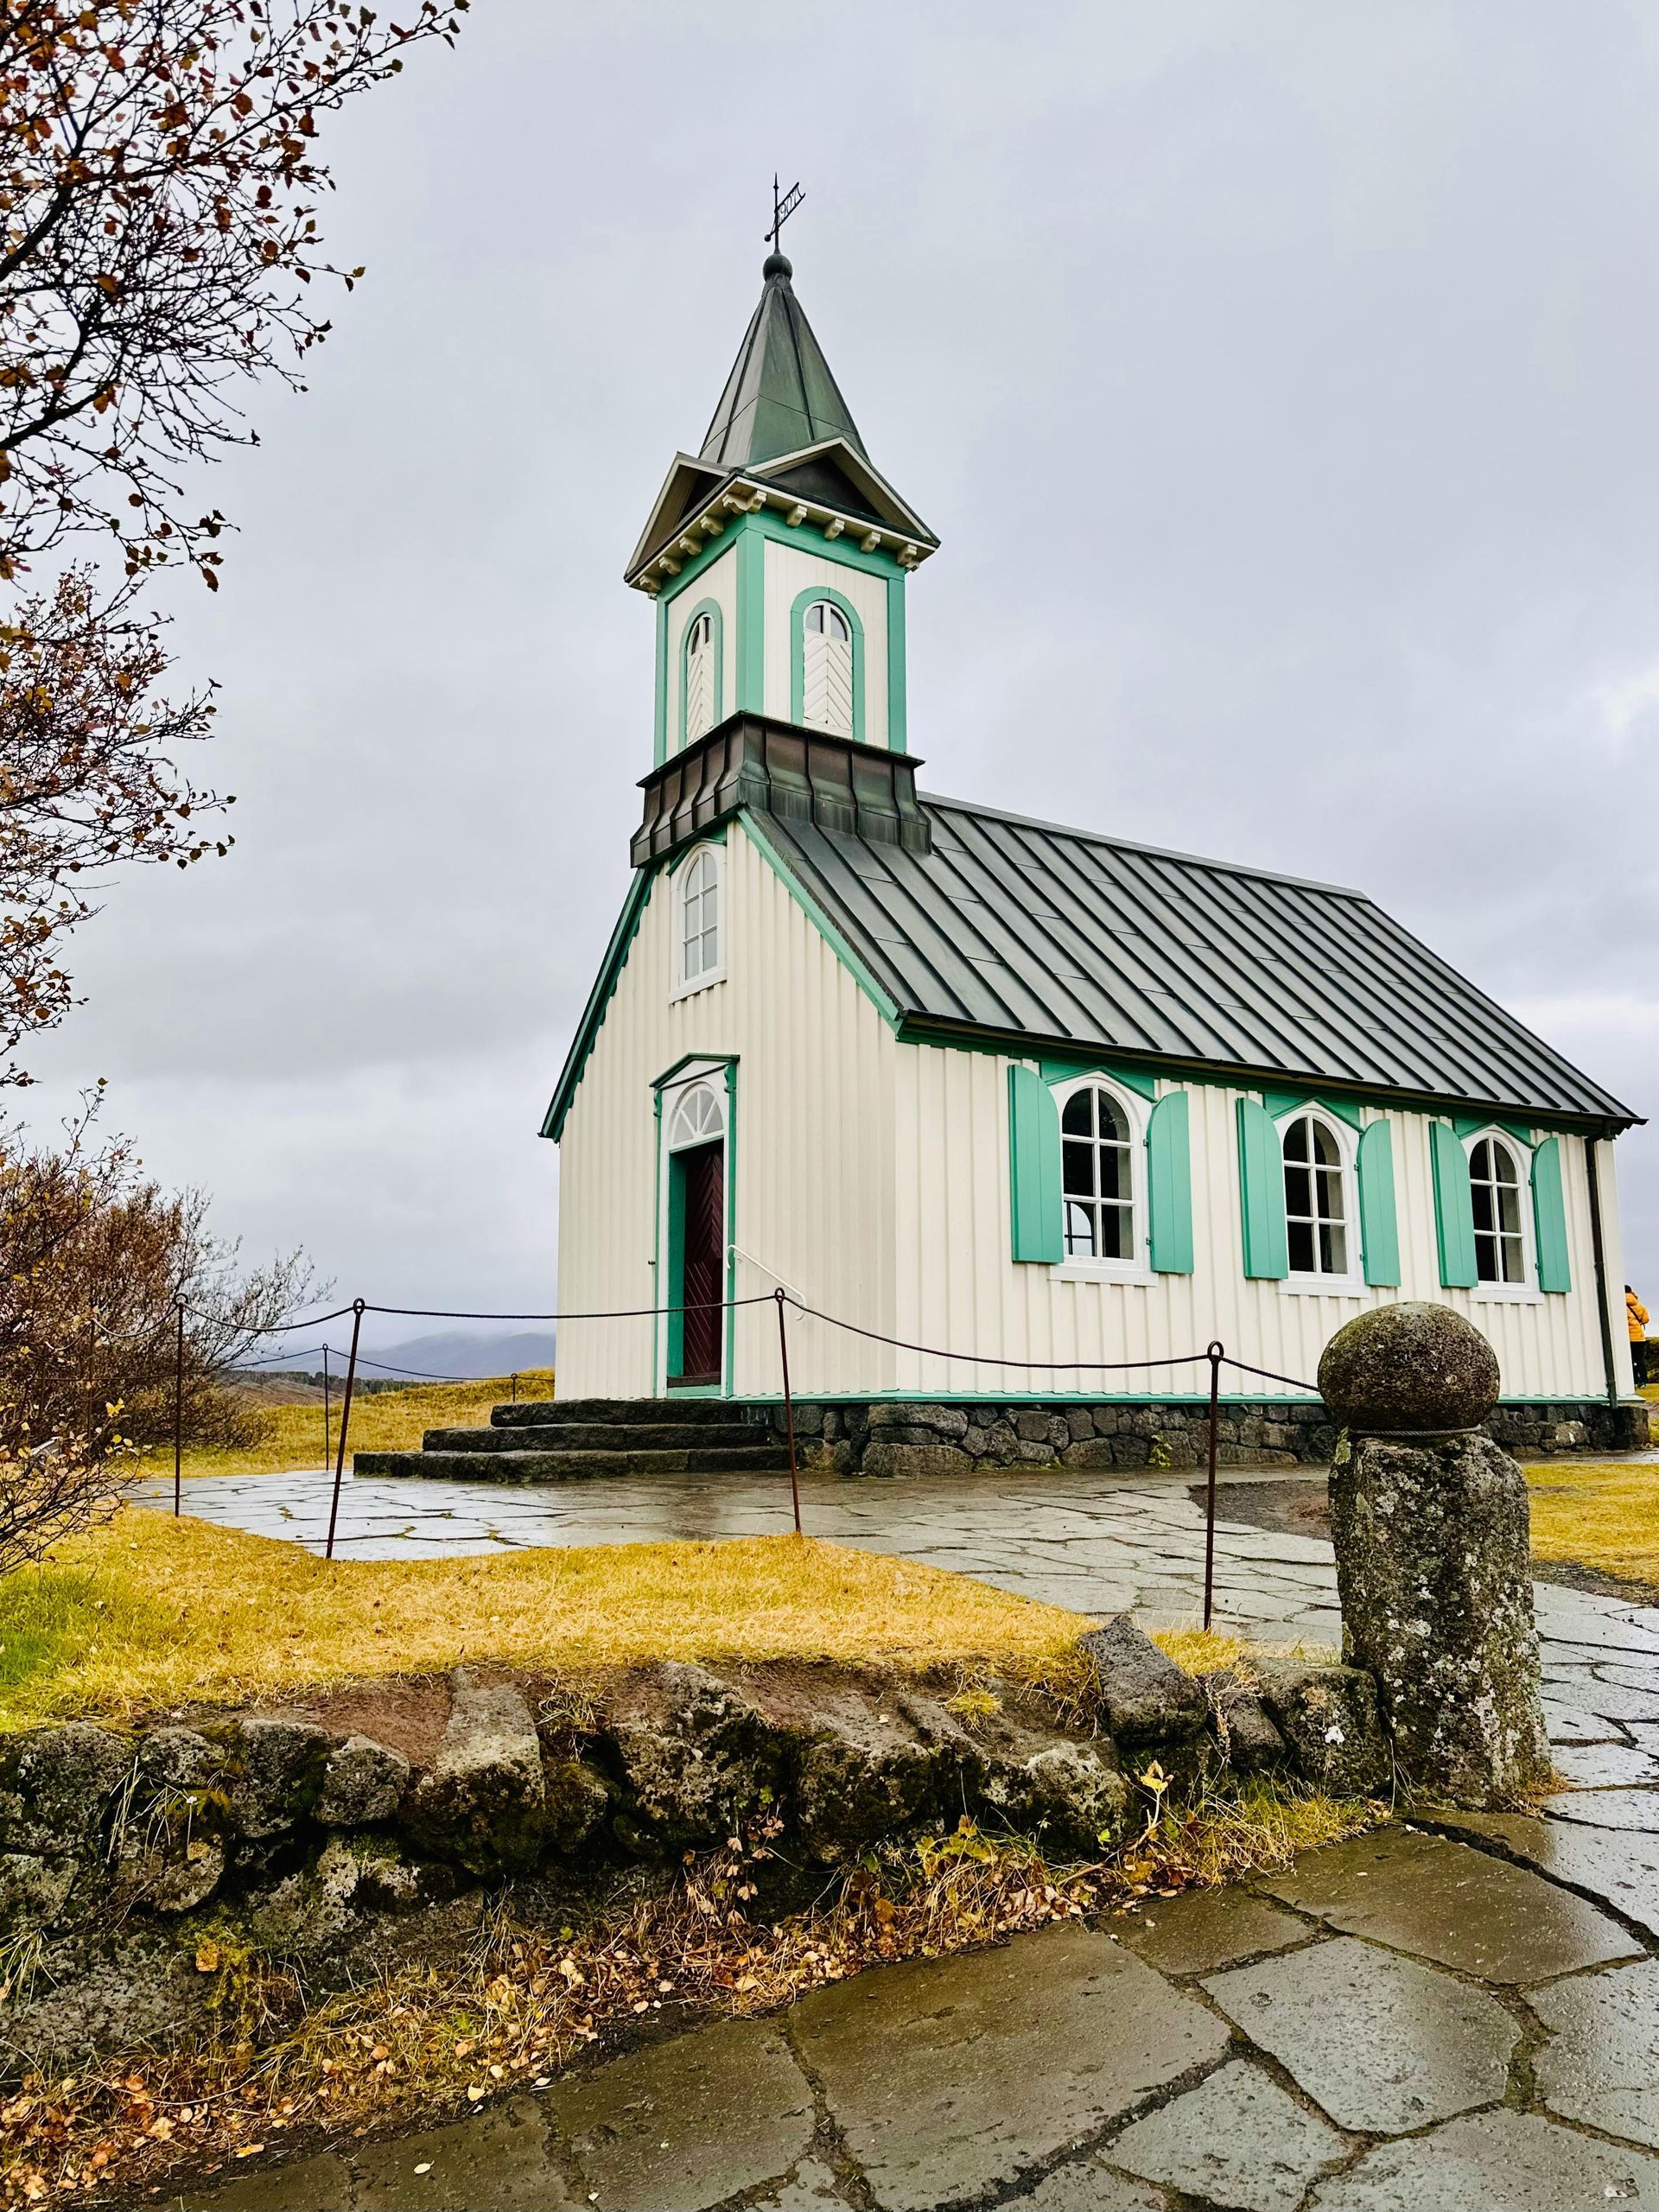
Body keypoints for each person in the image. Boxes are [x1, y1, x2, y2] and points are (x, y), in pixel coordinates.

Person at [1629, 1284, 1650, 1388]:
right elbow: (1646, 1319)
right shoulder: (1639, 1306)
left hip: (1628, 1337)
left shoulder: (1619, 1304)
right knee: (1640, 1359)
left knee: (1630, 1359)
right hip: (1639, 1337)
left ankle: (1633, 1380)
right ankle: (1643, 1380)